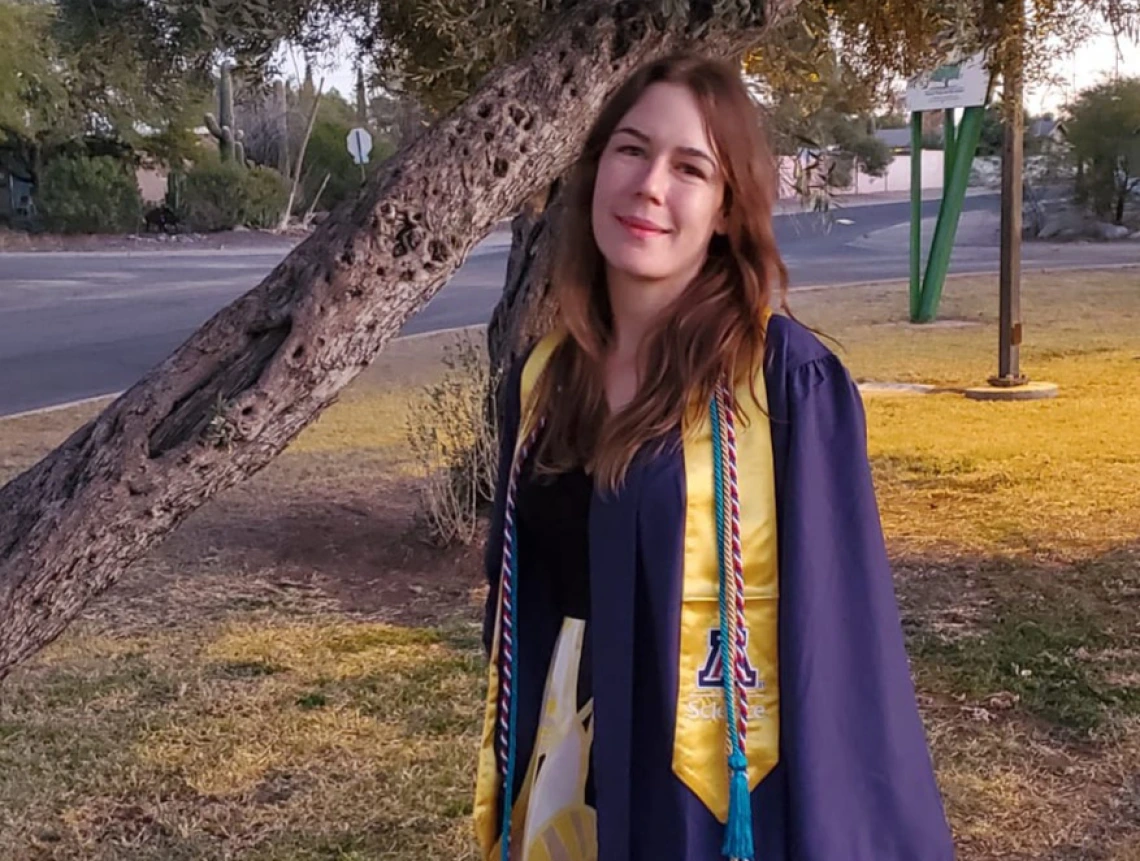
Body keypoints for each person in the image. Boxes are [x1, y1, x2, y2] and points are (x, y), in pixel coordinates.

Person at [473, 52, 955, 861]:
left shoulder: (784, 384)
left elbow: (839, 653)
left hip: (705, 787)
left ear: (728, 208)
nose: (650, 185)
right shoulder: (544, 378)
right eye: (630, 150)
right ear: (595, 171)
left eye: (690, 166)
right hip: (571, 764)